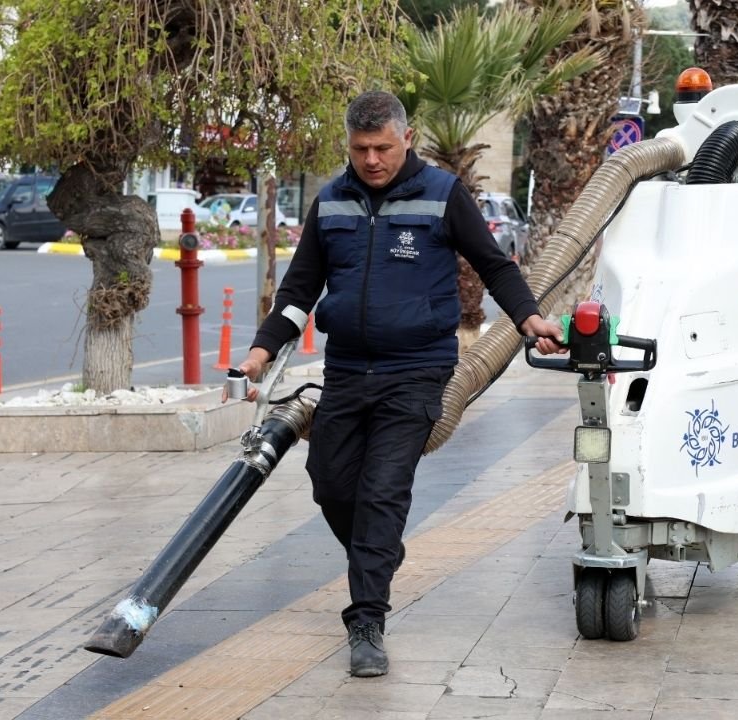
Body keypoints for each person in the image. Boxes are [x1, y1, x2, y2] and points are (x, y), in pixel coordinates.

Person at [225, 91, 563, 678]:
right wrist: (259, 352)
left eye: (382, 147)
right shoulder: (330, 202)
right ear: (348, 146)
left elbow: (494, 264)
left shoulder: (442, 194)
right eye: (361, 149)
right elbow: (299, 290)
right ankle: (379, 553)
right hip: (348, 371)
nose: (373, 160)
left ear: (406, 139)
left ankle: (366, 620)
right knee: (331, 485)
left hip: (417, 370)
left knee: (382, 491)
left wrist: (530, 319)